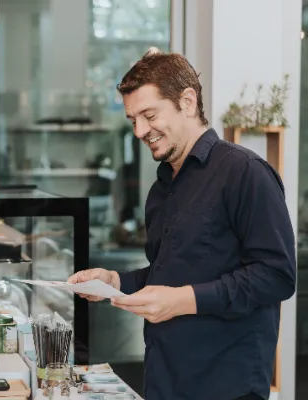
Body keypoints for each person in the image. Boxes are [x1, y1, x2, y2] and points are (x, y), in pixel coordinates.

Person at [68, 52, 296, 400]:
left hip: (227, 387)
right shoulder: (161, 189)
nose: (140, 131)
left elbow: (277, 275)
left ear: (187, 102)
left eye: (149, 115)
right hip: (164, 381)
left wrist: (182, 301)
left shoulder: (244, 171)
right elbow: (170, 275)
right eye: (133, 120)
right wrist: (116, 283)